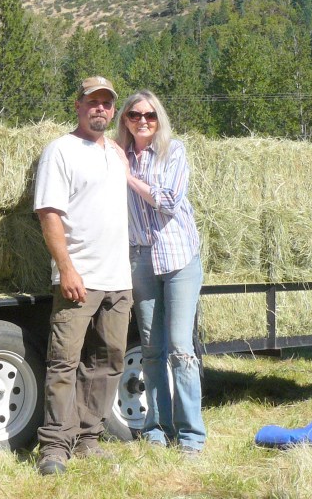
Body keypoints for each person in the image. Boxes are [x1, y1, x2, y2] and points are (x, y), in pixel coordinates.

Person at [33, 76, 133, 475]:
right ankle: (55, 448)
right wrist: (66, 268)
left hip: (118, 278)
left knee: (107, 362)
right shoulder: (61, 150)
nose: (100, 108)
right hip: (80, 277)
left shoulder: (116, 153)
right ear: (77, 106)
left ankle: (89, 439)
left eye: (107, 103)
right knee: (64, 362)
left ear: (113, 110)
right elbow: (49, 214)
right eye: (93, 102)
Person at [115, 89, 206, 455]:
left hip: (179, 258)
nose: (143, 121)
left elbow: (168, 201)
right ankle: (156, 430)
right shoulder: (116, 154)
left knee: (181, 349)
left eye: (150, 115)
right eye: (135, 115)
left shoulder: (173, 151)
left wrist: (128, 178)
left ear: (159, 119)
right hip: (141, 259)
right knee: (152, 350)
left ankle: (191, 437)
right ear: (125, 119)